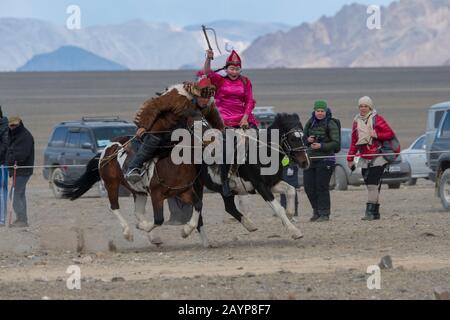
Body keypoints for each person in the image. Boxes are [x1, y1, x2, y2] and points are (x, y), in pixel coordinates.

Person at [125, 78, 224, 183]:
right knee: (153, 140)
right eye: (203, 97)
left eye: (208, 97)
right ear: (196, 94)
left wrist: (221, 130)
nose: (205, 100)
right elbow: (154, 105)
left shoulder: (208, 104)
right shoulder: (178, 96)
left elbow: (215, 119)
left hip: (181, 132)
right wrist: (143, 125)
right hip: (161, 128)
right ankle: (133, 168)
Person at [203, 49, 258, 196]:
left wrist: (245, 117)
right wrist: (208, 58)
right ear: (227, 69)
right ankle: (225, 179)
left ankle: (256, 175)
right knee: (228, 146)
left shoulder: (246, 81)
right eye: (232, 68)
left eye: (237, 68)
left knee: (256, 140)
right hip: (223, 119)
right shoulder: (219, 80)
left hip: (241, 118)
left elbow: (249, 101)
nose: (234, 71)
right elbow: (207, 72)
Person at [347, 96, 395, 221]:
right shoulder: (356, 121)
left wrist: (377, 134)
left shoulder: (377, 119)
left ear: (370, 107)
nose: (363, 108)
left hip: (378, 156)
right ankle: (375, 213)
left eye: (365, 106)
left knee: (372, 185)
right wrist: (350, 158)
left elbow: (390, 134)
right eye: (361, 106)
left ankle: (369, 213)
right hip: (364, 158)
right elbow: (354, 142)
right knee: (370, 184)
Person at [303, 100, 340, 222]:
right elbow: (303, 140)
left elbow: (336, 143)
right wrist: (308, 140)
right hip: (311, 159)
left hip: (325, 160)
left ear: (326, 111)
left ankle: (324, 213)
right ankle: (316, 211)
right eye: (317, 111)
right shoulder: (310, 122)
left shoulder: (331, 123)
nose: (319, 113)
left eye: (322, 111)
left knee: (321, 187)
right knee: (309, 187)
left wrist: (321, 146)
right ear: (314, 111)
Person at [6, 116, 35, 228]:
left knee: (14, 194)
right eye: (11, 125)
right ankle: (22, 219)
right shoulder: (12, 135)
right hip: (16, 170)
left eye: (15, 125)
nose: (12, 127)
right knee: (20, 194)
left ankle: (22, 219)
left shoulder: (25, 136)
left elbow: (22, 155)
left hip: (23, 170)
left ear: (19, 124)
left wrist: (11, 158)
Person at [0, 106, 9, 227]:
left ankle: (2, 219)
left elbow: (5, 146)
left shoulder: (4, 127)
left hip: (1, 163)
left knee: (2, 191)